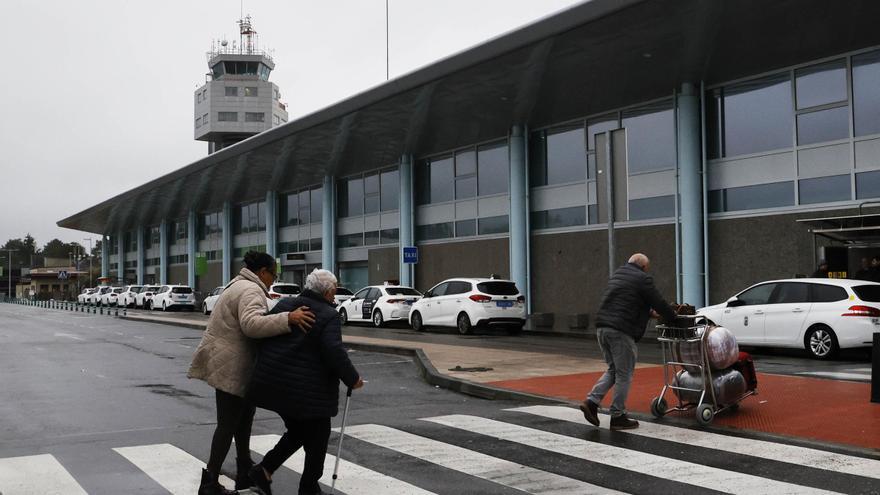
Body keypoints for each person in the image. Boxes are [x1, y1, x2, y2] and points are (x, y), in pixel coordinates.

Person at [188, 251, 316, 495]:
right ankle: (209, 481)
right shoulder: (250, 290)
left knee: (243, 420)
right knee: (228, 424)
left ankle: (244, 472)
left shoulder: (238, 284)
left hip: (233, 363)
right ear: (263, 272)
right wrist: (288, 318)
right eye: (273, 275)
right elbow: (252, 324)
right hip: (232, 365)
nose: (273, 280)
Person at [247, 268, 363, 495]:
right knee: (318, 437)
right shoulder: (328, 315)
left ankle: (265, 470)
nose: (335, 293)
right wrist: (353, 379)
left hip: (275, 385)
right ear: (329, 291)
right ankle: (307, 487)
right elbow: (334, 351)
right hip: (307, 393)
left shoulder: (285, 305)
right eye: (334, 289)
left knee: (299, 432)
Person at [580, 253, 676, 430]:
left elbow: (624, 302)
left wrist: (648, 313)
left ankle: (591, 402)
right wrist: (673, 318)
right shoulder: (643, 278)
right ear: (644, 267)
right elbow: (658, 302)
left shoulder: (618, 274)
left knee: (613, 370)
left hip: (602, 327)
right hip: (620, 331)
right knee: (624, 374)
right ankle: (618, 416)